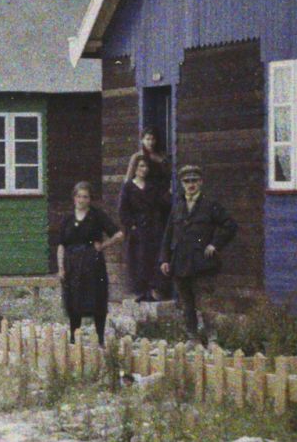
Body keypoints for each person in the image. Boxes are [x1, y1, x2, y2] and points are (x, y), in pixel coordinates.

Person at [159, 163, 237, 340]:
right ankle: (192, 339)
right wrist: (164, 259)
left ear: (201, 182)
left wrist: (215, 244)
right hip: (180, 264)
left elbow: (230, 225)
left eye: (194, 180)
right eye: (187, 181)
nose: (190, 184)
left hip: (202, 264)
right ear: (182, 183)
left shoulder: (210, 206)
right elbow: (168, 235)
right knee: (187, 305)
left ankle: (212, 340)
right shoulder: (177, 207)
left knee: (205, 304)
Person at [53, 180, 123, 346]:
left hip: (92, 264)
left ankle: (99, 338)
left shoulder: (97, 215)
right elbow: (61, 245)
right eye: (79, 196)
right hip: (72, 264)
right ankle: (73, 337)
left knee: (97, 298)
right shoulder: (67, 219)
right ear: (74, 198)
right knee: (73, 300)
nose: (82, 200)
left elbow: (119, 234)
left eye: (85, 197)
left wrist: (103, 246)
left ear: (90, 199)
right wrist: (61, 268)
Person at [118, 134, 172, 301]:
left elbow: (160, 203)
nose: (144, 170)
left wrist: (169, 194)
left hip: (153, 227)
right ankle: (140, 291)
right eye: (141, 167)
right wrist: (132, 226)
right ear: (135, 168)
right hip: (137, 229)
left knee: (152, 257)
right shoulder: (128, 187)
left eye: (146, 167)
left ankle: (153, 291)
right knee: (138, 260)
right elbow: (123, 210)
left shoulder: (152, 186)